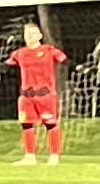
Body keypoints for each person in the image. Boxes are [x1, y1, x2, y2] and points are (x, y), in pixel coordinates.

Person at [7, 18, 69, 162]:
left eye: (33, 33)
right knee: (26, 125)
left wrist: (80, 68)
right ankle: (30, 157)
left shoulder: (49, 50)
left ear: (40, 35)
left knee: (50, 124)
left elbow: (65, 61)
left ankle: (54, 156)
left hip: (45, 95)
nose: (30, 36)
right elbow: (5, 67)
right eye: (27, 34)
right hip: (26, 96)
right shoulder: (19, 53)